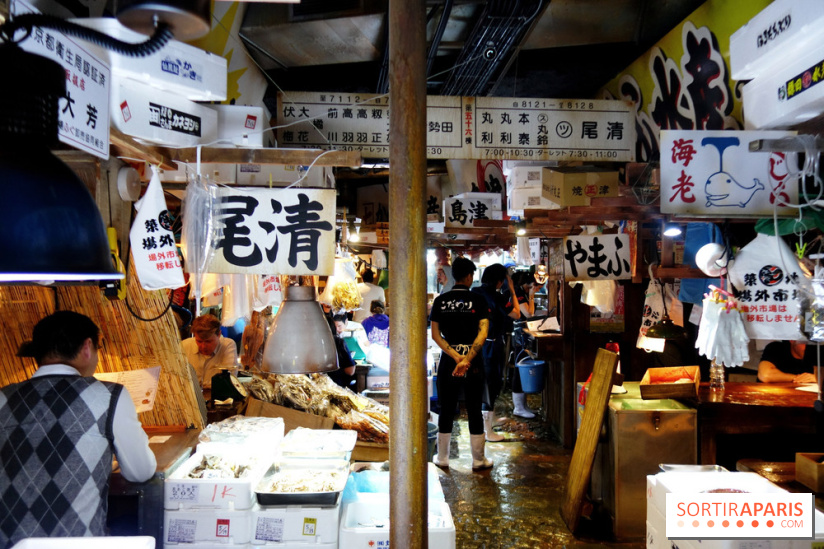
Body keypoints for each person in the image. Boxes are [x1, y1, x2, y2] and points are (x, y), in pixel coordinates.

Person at [0, 311, 156, 546]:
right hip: (80, 542)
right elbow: (140, 471)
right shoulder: (109, 395)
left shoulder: (3, 397)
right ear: (87, 346)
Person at [430, 256, 493, 470]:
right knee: (475, 407)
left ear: (453, 276)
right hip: (473, 363)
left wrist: (456, 357)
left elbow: (436, 336)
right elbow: (483, 332)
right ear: (468, 277)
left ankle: (443, 458)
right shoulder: (478, 300)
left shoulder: (440, 301)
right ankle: (478, 460)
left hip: (449, 362)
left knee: (446, 407)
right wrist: (466, 359)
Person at [472, 264, 521, 442]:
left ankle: (487, 424)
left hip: (475, 346)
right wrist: (513, 292)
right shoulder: (498, 297)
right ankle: (487, 432)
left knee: (479, 384)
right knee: (492, 384)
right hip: (492, 346)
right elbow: (517, 314)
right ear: (500, 281)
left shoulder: (474, 292)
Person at [503, 270, 543, 419]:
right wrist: (532, 295)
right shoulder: (518, 293)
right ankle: (518, 408)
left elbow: (530, 312)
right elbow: (529, 313)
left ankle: (522, 406)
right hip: (518, 336)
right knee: (520, 368)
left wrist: (531, 295)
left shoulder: (523, 293)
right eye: (537, 286)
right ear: (530, 284)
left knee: (522, 368)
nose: (538, 289)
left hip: (522, 335)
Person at [181, 313, 238, 390]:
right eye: (199, 341)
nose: (203, 346)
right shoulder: (184, 345)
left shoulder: (227, 345)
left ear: (219, 334)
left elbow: (230, 379)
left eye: (208, 341)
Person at [328, 313, 357, 388]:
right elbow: (350, 371)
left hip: (316, 385)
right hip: (337, 386)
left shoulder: (311, 343)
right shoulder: (339, 342)